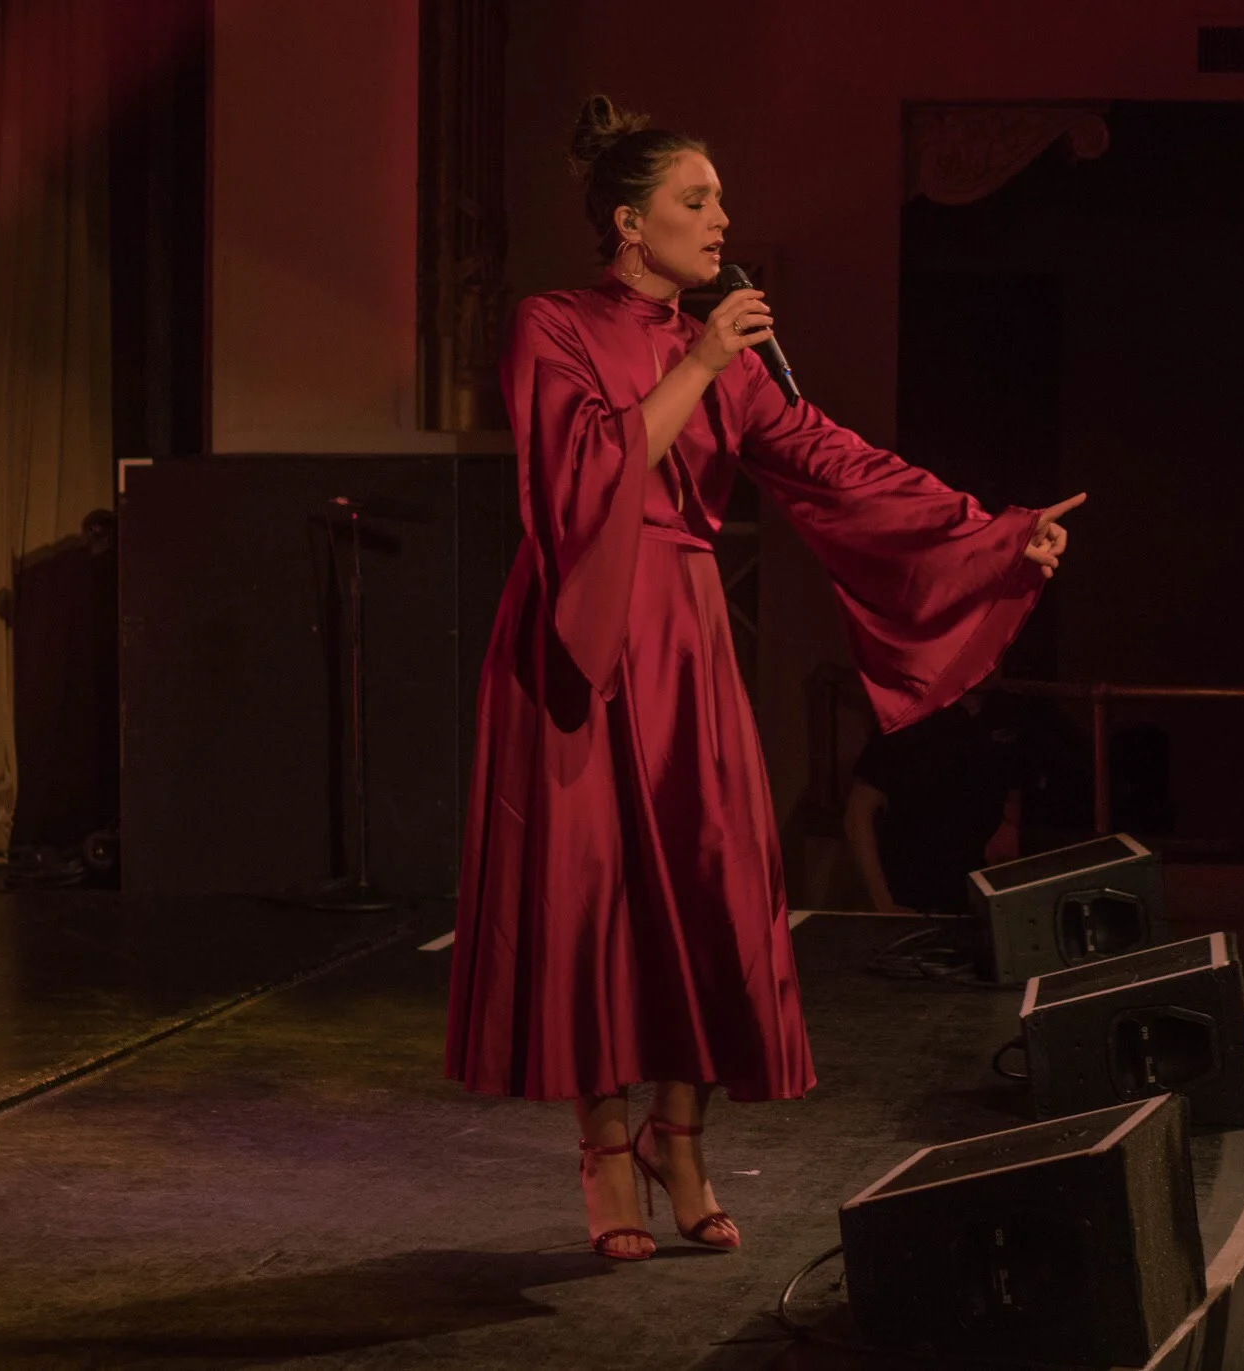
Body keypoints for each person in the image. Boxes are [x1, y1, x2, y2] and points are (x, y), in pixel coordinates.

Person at [444, 96, 1083, 1262]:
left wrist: (992, 532)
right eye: (699, 200)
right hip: (580, 638)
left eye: (721, 199)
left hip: (685, 638)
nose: (723, 219)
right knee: (596, 902)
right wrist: (698, 356)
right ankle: (604, 1156)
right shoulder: (555, 322)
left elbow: (840, 467)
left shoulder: (729, 361)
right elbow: (583, 472)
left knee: (708, 891)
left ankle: (678, 1139)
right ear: (631, 225)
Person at [844, 678, 1027, 914]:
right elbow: (857, 816)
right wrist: (884, 903)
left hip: (982, 894)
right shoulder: (911, 715)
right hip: (915, 894)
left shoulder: (1006, 709)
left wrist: (1008, 823)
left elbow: (1014, 776)